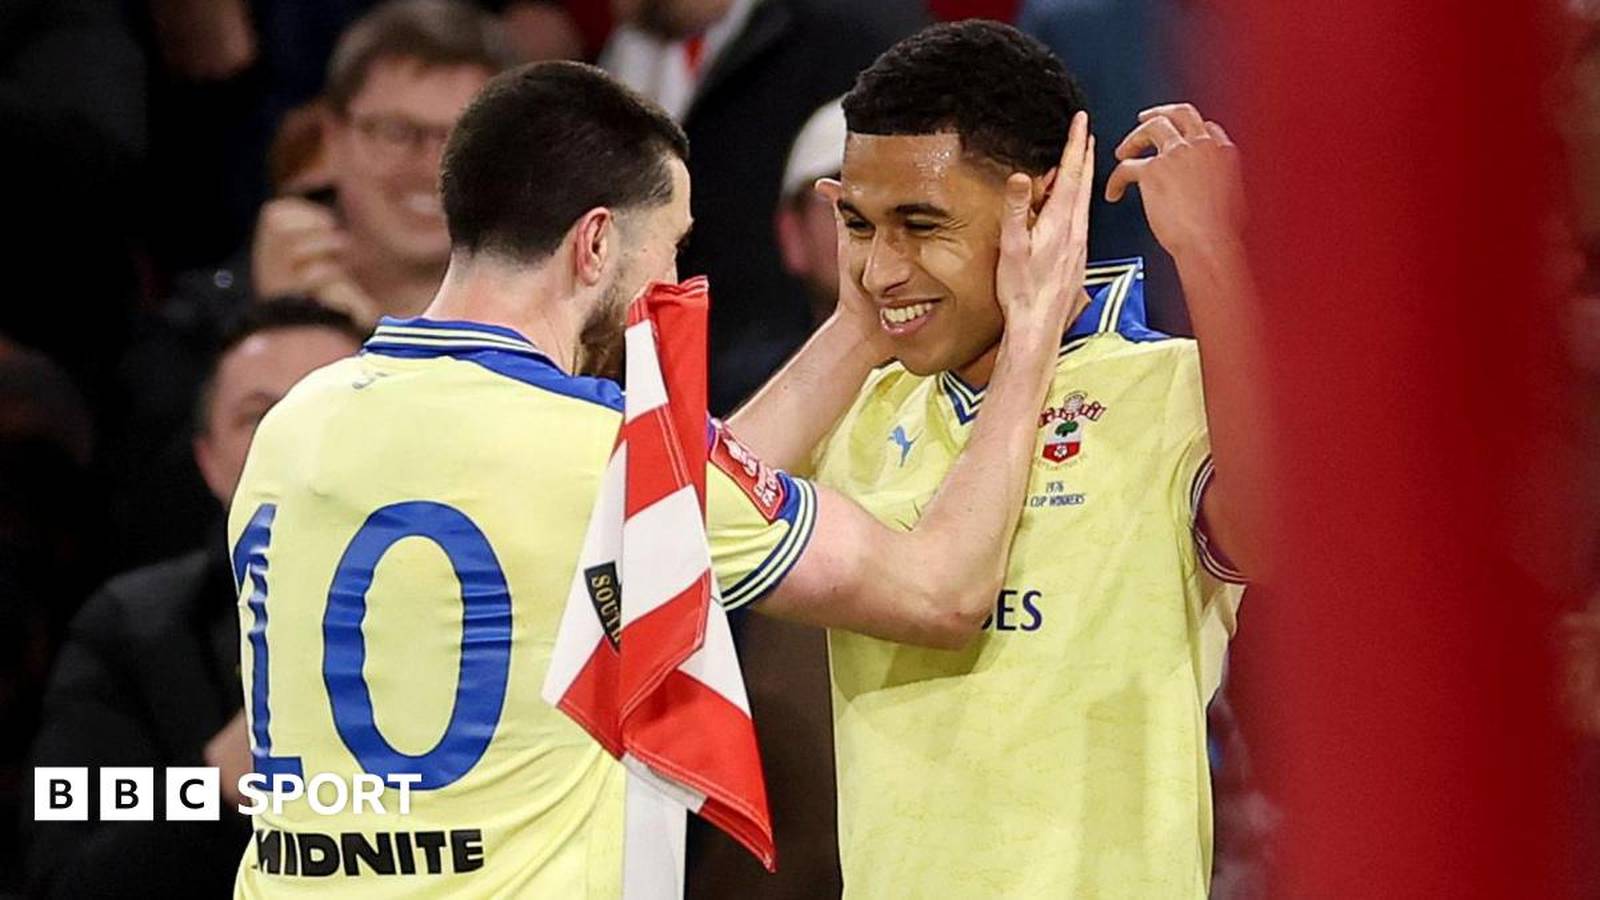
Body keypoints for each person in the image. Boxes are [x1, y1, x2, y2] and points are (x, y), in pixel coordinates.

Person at [226, 59, 1093, 896]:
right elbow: (941, 592)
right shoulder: (605, 452)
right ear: (597, 241)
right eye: (672, 246)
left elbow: (666, 515)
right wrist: (1032, 328)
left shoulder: (297, 419)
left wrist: (858, 331)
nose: (674, 282)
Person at [732, 20, 1265, 896]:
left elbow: (1274, 537)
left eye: (922, 223)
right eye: (860, 226)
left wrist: (1211, 247)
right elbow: (672, 528)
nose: (882, 267)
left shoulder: (1170, 390)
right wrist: (854, 327)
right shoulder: (858, 407)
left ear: (1045, 207)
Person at [24, 301, 365, 899]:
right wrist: (214, 783)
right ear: (208, 462)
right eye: (261, 417)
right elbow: (64, 868)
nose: (300, 441)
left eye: (338, 408)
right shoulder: (134, 627)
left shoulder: (498, 606)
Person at [602, 0, 926, 414]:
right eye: (842, 205)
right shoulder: (727, 390)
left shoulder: (855, 29)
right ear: (791, 233)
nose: (868, 229)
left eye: (907, 209)